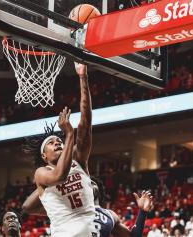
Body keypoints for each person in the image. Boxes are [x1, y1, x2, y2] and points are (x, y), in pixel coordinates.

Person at [23, 63, 95, 237]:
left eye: (59, 140)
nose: (57, 143)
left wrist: (83, 78)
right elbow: (60, 177)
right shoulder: (41, 173)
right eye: (51, 143)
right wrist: (69, 134)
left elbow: (85, 125)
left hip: (92, 229)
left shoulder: (77, 159)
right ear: (43, 155)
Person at [23, 177, 154, 237]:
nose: (88, 184)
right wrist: (52, 179)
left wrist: (142, 212)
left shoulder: (109, 214)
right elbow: (28, 207)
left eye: (91, 182)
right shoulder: (68, 208)